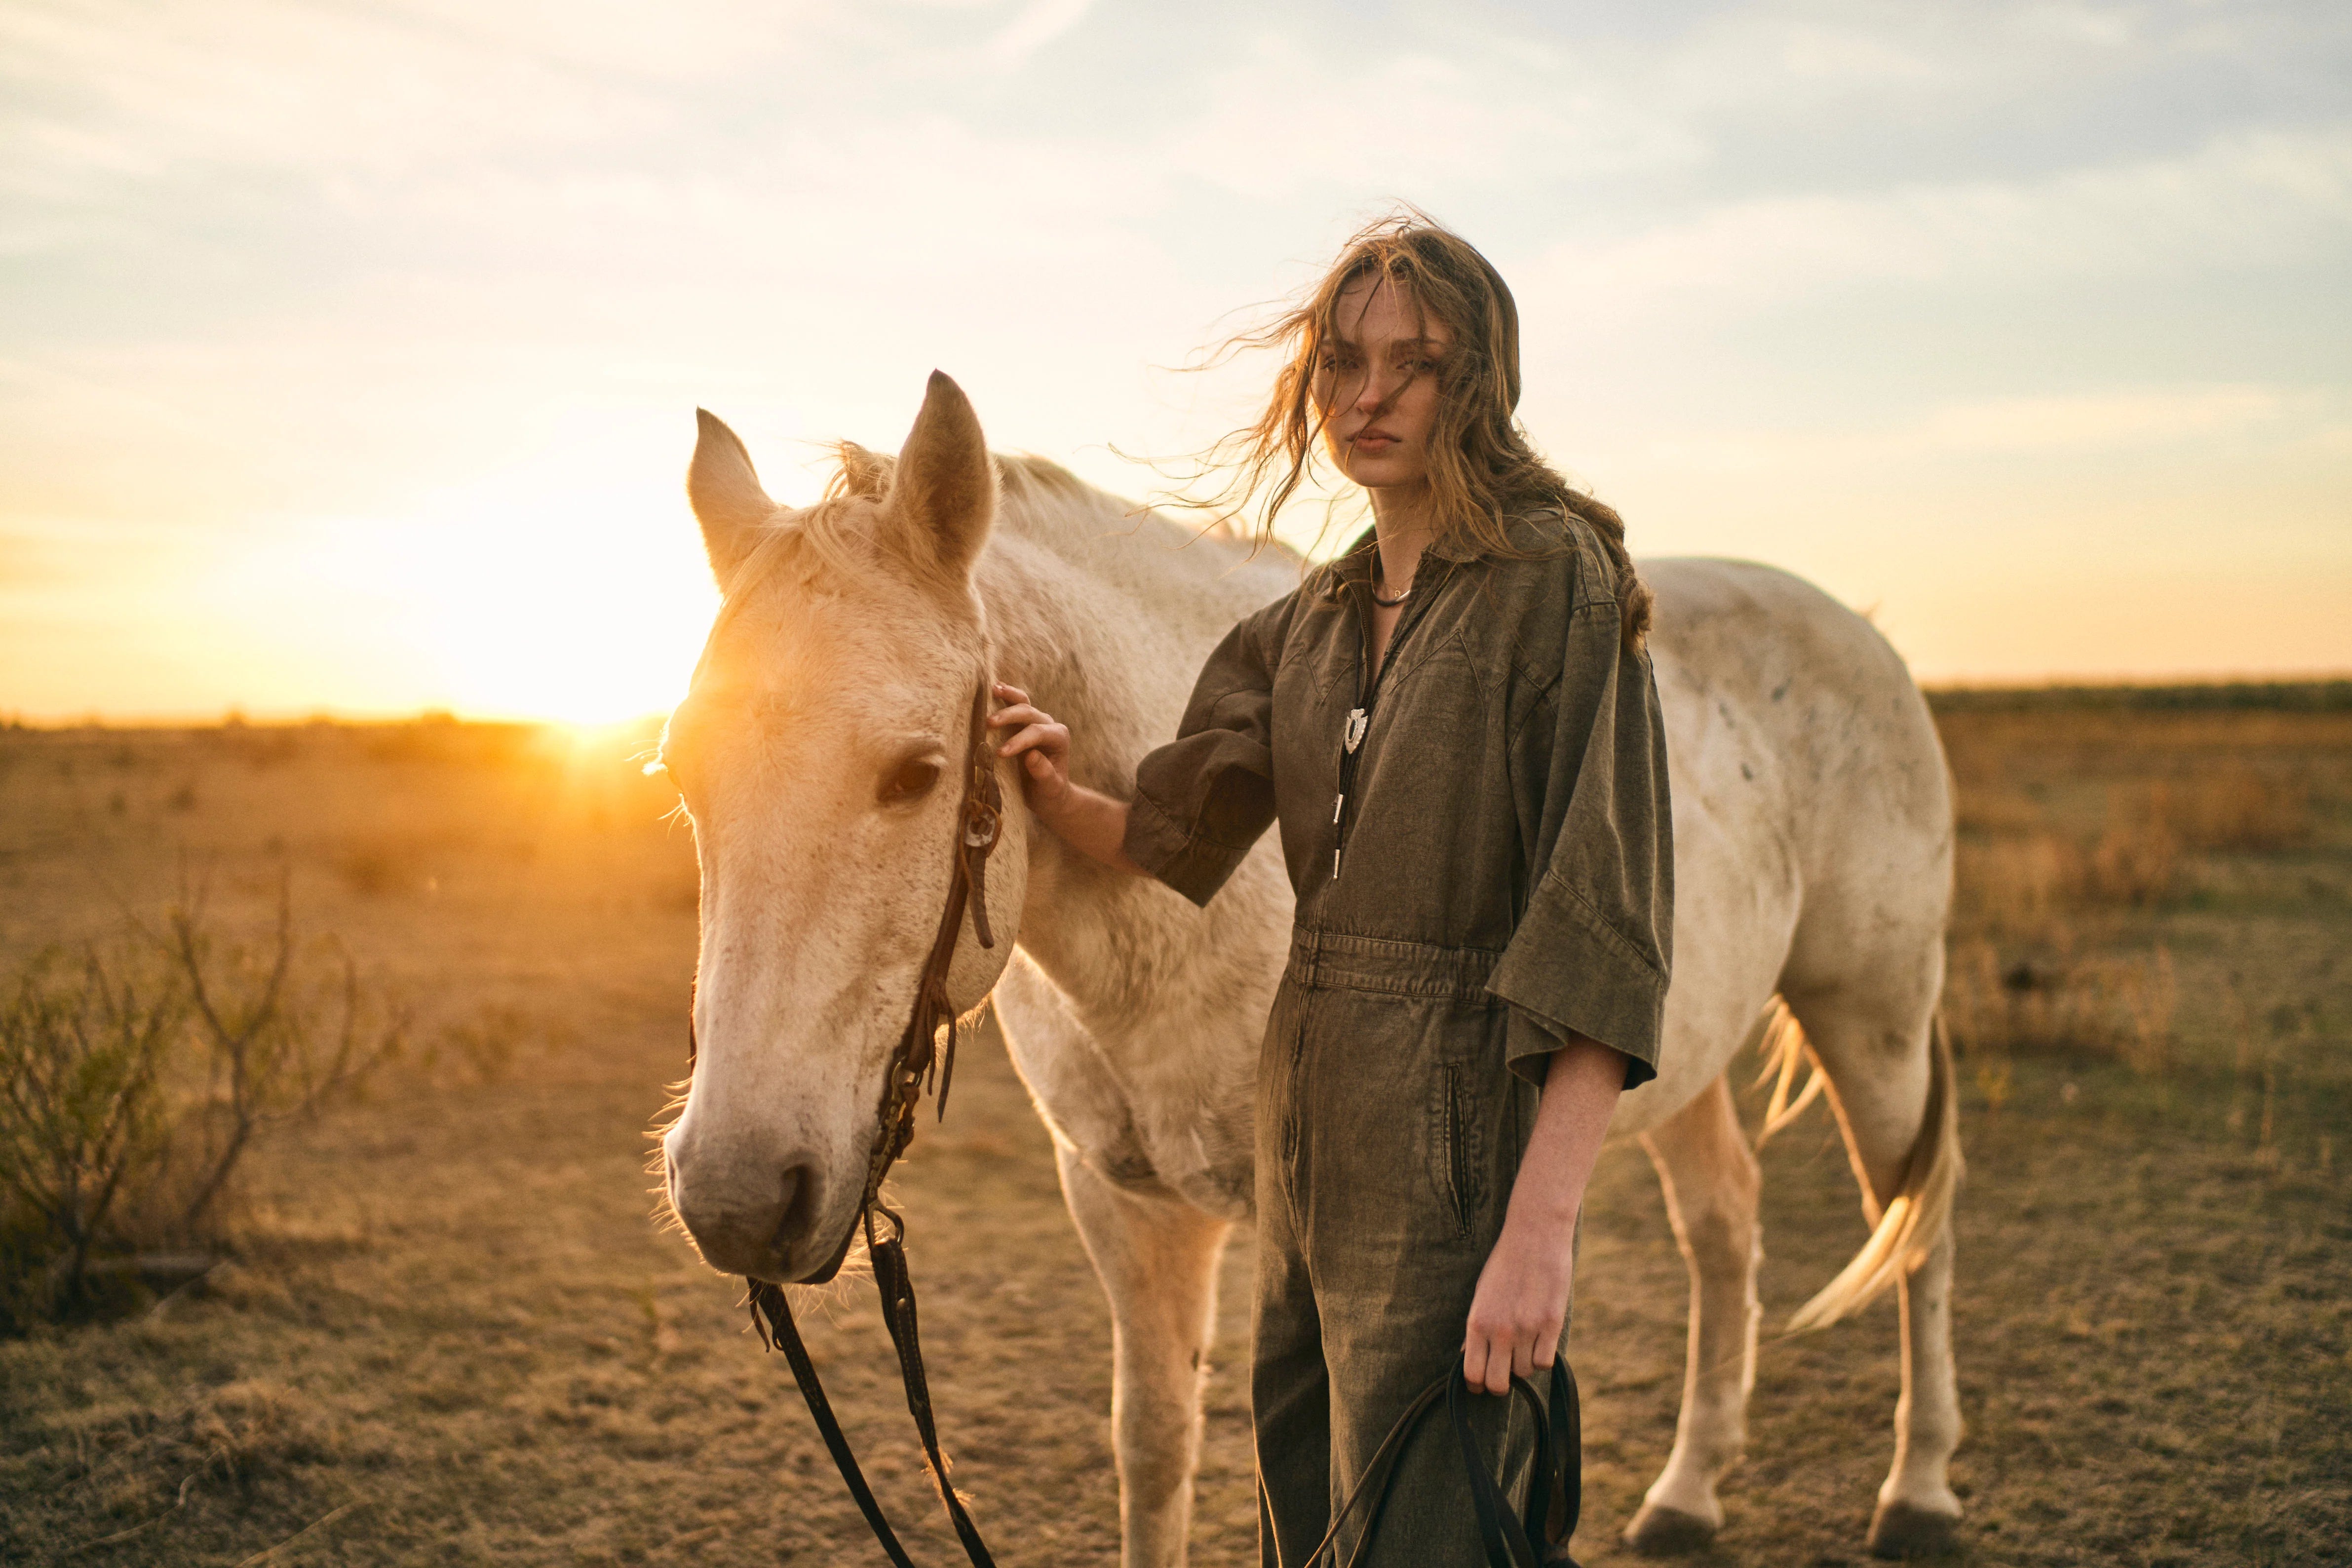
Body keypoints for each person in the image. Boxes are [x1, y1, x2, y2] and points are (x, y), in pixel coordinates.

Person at [990, 215, 1673, 1567]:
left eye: (1413, 363)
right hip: (1299, 1106)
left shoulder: (1556, 585)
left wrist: (1540, 1230)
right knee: (1311, 1504)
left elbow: (1602, 924)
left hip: (1455, 1108)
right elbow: (1190, 823)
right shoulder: (1312, 615)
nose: (1370, 396)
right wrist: (1063, 800)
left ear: (1480, 381)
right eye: (1345, 363)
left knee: (1436, 1518)